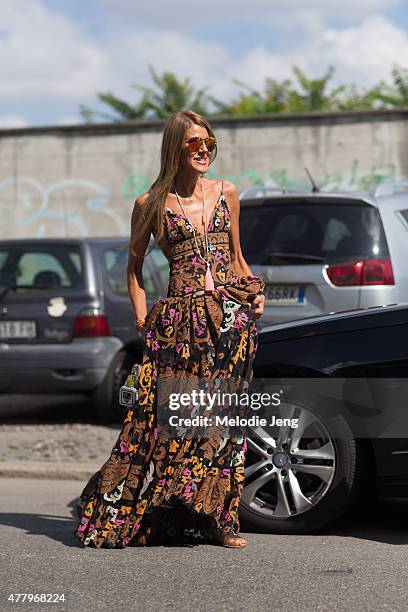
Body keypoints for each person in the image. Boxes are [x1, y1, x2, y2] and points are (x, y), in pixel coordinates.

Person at [74, 110, 265, 549]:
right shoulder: (149, 205)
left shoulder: (226, 193)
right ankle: (169, 510)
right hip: (180, 326)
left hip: (232, 323)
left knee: (224, 424)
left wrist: (254, 293)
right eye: (193, 143)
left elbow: (237, 259)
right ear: (174, 148)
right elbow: (134, 270)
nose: (203, 151)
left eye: (208, 143)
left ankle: (220, 521)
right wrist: (144, 325)